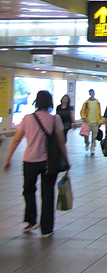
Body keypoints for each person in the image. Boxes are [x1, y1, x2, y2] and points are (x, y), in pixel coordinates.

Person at [4, 90, 70, 237]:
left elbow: (16, 139)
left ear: (37, 102)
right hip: (49, 162)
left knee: (28, 190)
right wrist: (66, 160)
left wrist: (8, 158)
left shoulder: (27, 118)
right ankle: (46, 228)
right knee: (47, 193)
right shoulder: (55, 119)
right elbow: (61, 141)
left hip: (29, 161)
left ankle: (30, 222)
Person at [80, 89, 102, 155]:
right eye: (91, 93)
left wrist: (100, 121)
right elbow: (82, 111)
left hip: (95, 122)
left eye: (93, 93)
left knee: (94, 136)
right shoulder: (86, 103)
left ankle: (92, 148)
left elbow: (99, 112)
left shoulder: (97, 103)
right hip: (88, 122)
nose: (92, 94)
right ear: (89, 94)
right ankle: (87, 143)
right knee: (86, 135)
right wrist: (83, 117)